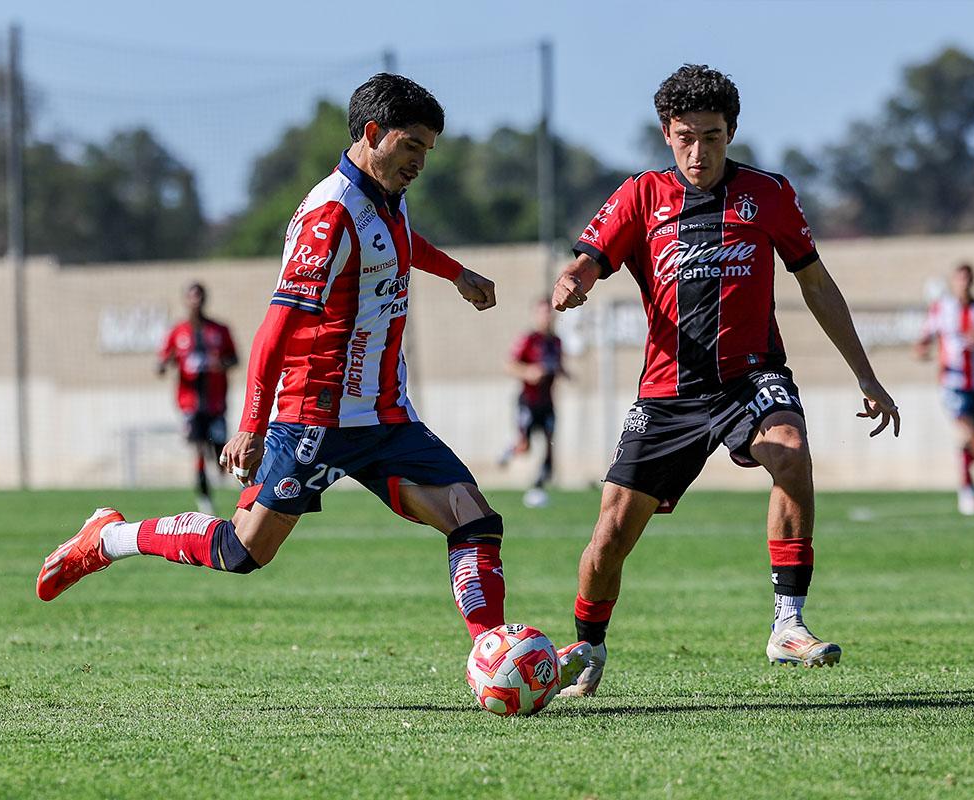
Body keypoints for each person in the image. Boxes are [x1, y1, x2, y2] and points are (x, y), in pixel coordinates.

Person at [35, 73, 591, 683]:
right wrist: (251, 425)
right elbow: (275, 329)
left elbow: (398, 241)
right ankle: (110, 538)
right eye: (411, 146)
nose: (420, 163)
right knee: (243, 550)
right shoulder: (329, 214)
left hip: (386, 417)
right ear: (372, 133)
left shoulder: (387, 194)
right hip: (313, 418)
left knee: (474, 519)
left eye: (428, 150)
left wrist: (455, 272)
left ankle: (494, 654)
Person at [552, 64, 900, 694]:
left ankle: (788, 623)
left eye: (711, 136)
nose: (698, 151)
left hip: (751, 378)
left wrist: (865, 374)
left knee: (789, 449)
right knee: (610, 535)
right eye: (685, 137)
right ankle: (589, 646)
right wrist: (573, 281)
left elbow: (816, 283)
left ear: (731, 132)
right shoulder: (640, 196)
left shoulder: (769, 194)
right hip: (668, 395)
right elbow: (587, 261)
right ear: (666, 133)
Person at [914, 264, 974, 515]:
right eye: (959, 279)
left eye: (967, 279)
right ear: (953, 282)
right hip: (952, 385)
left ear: (973, 281)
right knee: (970, 432)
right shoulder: (942, 308)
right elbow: (923, 340)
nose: (964, 284)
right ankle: (967, 487)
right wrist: (922, 350)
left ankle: (965, 468)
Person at [158, 283, 239, 514]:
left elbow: (234, 359)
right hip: (190, 404)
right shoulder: (178, 332)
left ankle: (226, 476)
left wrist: (218, 363)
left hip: (216, 402)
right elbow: (161, 363)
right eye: (191, 297)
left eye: (199, 296)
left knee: (220, 448)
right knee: (199, 448)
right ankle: (205, 499)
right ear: (185, 300)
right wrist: (167, 362)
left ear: (204, 299)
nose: (195, 301)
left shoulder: (219, 330)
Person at [500, 298, 567, 508]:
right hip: (528, 402)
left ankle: (538, 487)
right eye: (543, 313)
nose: (547, 317)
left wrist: (565, 373)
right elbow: (509, 365)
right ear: (536, 315)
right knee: (525, 447)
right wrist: (528, 372)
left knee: (550, 445)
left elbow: (557, 365)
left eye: (549, 313)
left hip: (548, 403)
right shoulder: (528, 339)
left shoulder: (556, 342)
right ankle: (511, 449)